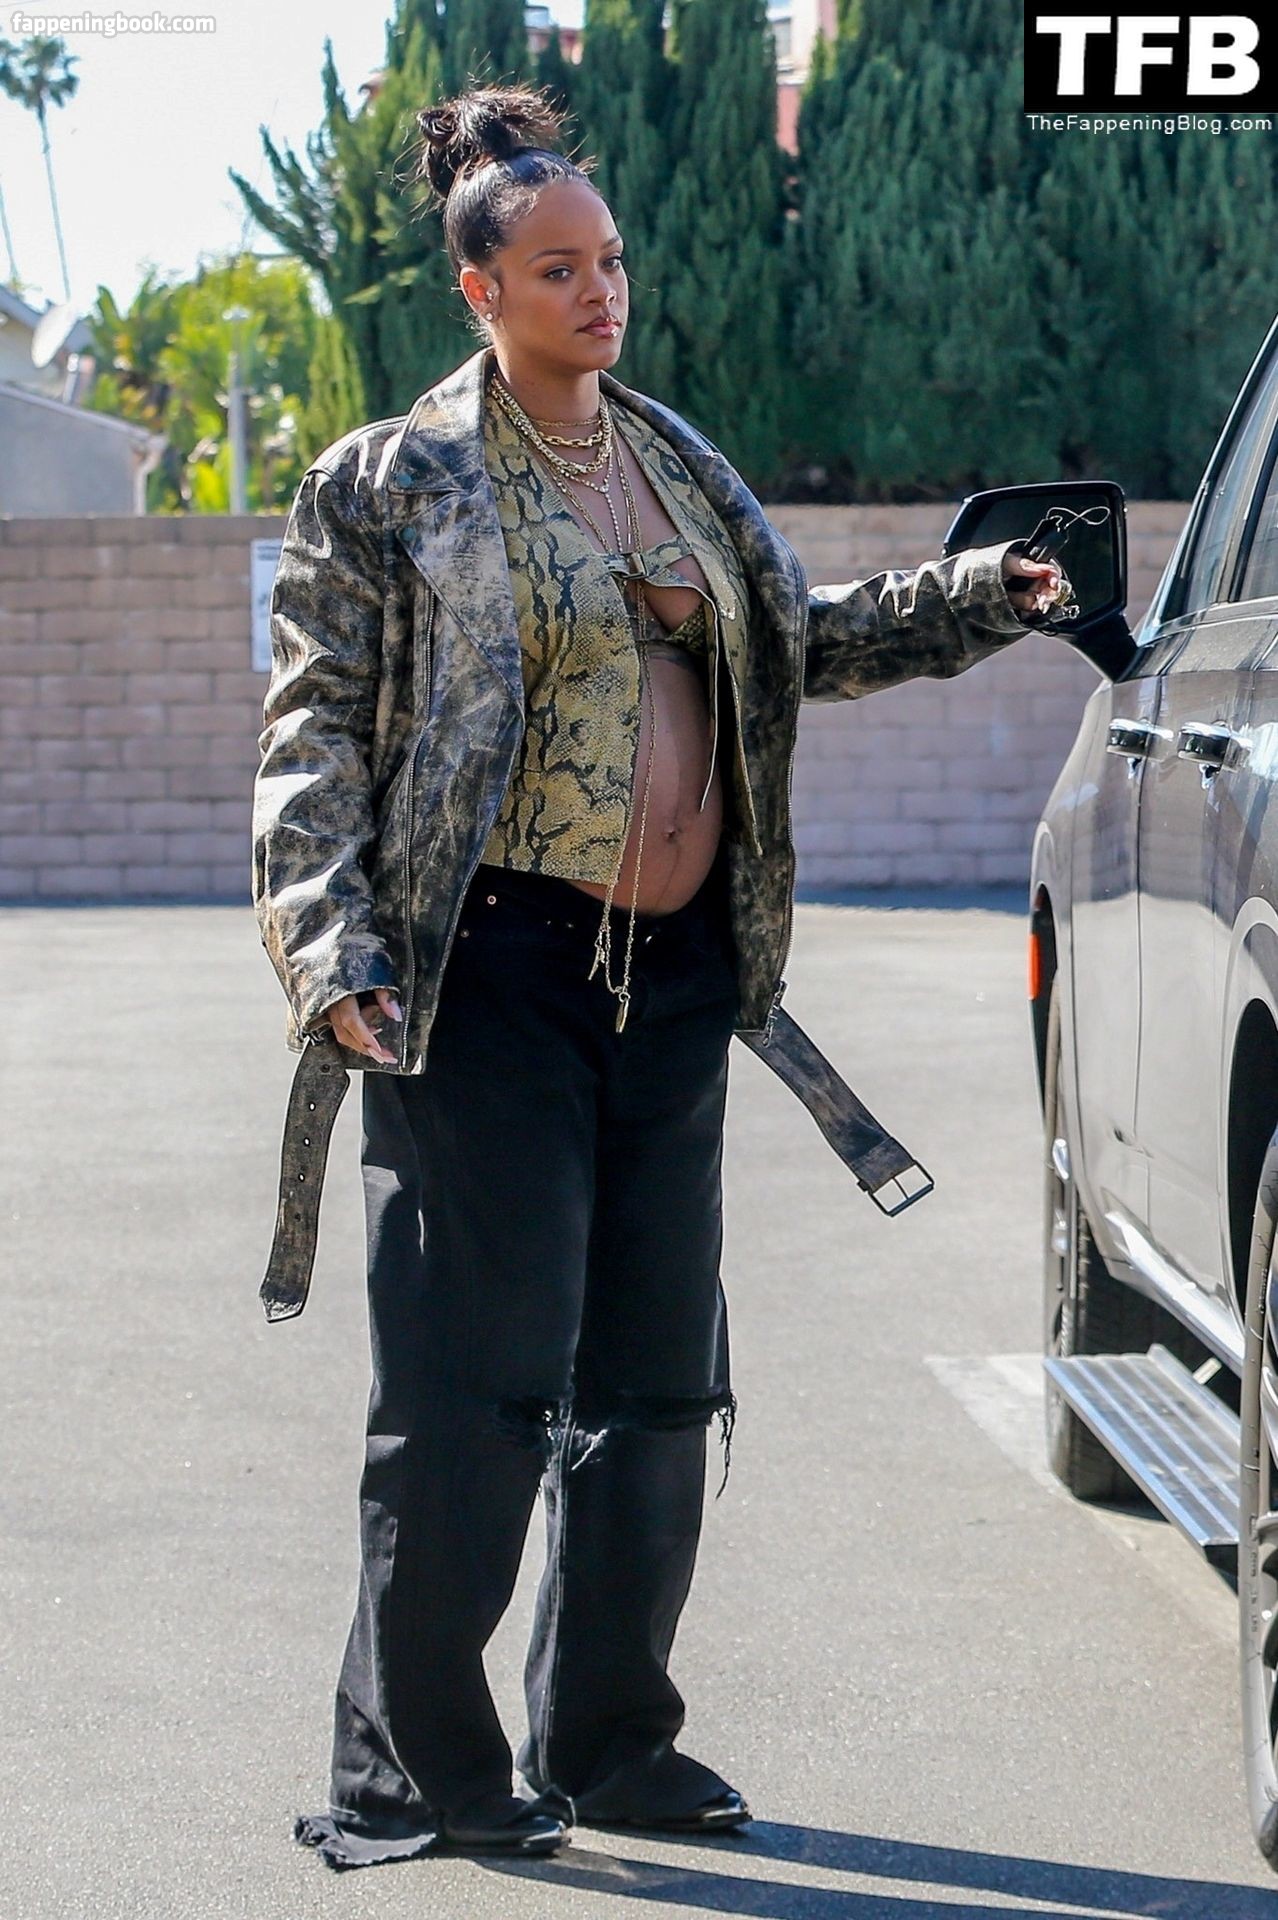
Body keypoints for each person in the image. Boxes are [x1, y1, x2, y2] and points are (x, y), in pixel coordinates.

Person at [251, 82, 1065, 1873]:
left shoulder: (679, 463)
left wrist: (977, 595)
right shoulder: (392, 483)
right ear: (481, 290)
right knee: (476, 1388)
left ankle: (613, 1741)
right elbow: (312, 731)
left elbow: (793, 646)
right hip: (485, 974)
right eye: (557, 269)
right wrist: (331, 946)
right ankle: (423, 1770)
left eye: (609, 259)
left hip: (678, 978)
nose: (599, 290)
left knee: (655, 1383)